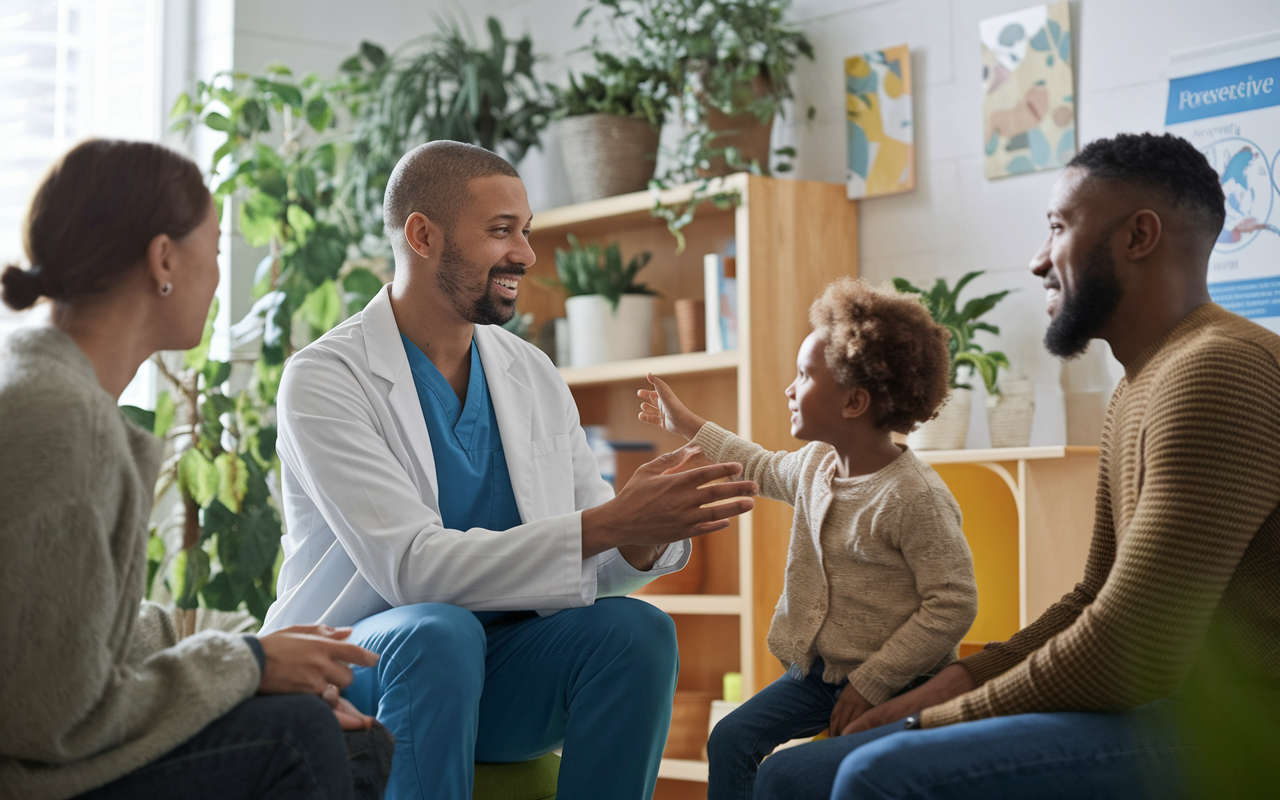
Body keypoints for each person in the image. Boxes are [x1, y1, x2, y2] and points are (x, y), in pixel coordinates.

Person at [752, 132, 1280, 799]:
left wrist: (929, 719)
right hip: (1168, 710)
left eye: (1059, 227)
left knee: (877, 775)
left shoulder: (1219, 370)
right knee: (788, 775)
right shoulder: (1142, 384)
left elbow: (1131, 648)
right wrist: (960, 680)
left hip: (1238, 727)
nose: (1037, 259)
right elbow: (1094, 599)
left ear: (1138, 236)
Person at [258, 140, 759, 800]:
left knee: (638, 633)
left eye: (525, 231)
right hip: (360, 668)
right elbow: (412, 570)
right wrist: (606, 523)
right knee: (440, 631)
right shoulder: (326, 378)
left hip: (500, 677)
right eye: (501, 231)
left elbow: (591, 560)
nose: (524, 253)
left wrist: (641, 531)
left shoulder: (531, 372)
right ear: (422, 235)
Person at [0, 139, 393, 800]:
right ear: (163, 259)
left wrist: (241, 643)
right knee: (302, 734)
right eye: (213, 250)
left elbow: (69, 627)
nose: (218, 276)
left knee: (352, 739)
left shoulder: (44, 385)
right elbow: (49, 716)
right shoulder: (64, 423)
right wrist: (247, 664)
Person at [638, 277, 979, 799]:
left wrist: (873, 682)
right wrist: (687, 423)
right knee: (731, 740)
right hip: (818, 676)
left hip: (902, 681)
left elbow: (953, 604)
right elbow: (757, 464)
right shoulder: (816, 465)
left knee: (817, 775)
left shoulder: (914, 498)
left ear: (854, 402)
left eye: (803, 375)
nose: (789, 389)